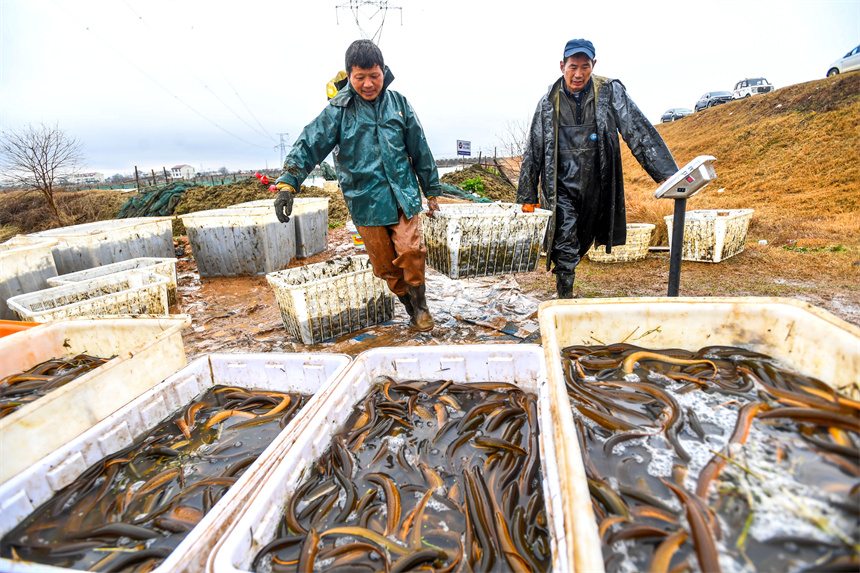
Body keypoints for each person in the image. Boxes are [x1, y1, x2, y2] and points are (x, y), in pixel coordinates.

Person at [273, 39, 441, 331]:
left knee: (411, 251)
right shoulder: (338, 110)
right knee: (386, 268)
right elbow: (309, 144)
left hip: (403, 194)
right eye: (360, 77)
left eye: (373, 76)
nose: (367, 84)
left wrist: (432, 191)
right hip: (365, 201)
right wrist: (289, 182)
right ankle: (409, 306)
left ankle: (422, 307)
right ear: (349, 75)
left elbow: (420, 149)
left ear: (383, 71)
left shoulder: (399, 104)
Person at [517, 38, 678, 299]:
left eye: (585, 66)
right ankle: (565, 297)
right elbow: (534, 148)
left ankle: (567, 283)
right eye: (572, 66)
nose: (578, 74)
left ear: (593, 65)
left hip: (597, 184)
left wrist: (665, 173)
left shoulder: (608, 92)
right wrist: (527, 196)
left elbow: (636, 129)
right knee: (564, 240)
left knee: (584, 238)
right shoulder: (548, 102)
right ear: (562, 66)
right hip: (560, 188)